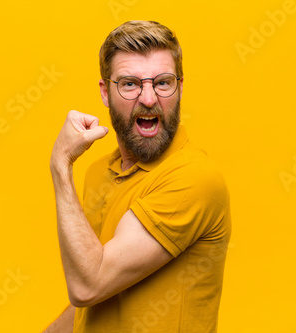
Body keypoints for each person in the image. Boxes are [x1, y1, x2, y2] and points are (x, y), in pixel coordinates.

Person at [44, 20, 231, 333]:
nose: (148, 98)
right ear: (105, 92)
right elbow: (97, 298)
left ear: (181, 87)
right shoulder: (98, 173)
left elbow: (88, 285)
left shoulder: (194, 178)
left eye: (163, 82)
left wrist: (60, 163)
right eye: (130, 83)